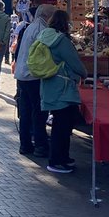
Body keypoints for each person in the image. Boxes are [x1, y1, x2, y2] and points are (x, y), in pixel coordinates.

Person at [34, 9, 86, 174]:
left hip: (49, 86)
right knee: (62, 126)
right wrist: (84, 73)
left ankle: (62, 157)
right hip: (62, 89)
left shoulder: (44, 36)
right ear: (65, 23)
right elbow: (75, 62)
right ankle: (56, 161)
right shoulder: (61, 40)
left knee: (60, 124)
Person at [13, 3, 55, 157]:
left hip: (23, 74)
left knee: (26, 111)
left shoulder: (31, 27)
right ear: (47, 16)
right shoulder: (41, 30)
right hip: (33, 76)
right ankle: (40, 145)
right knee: (38, 112)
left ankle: (25, 144)